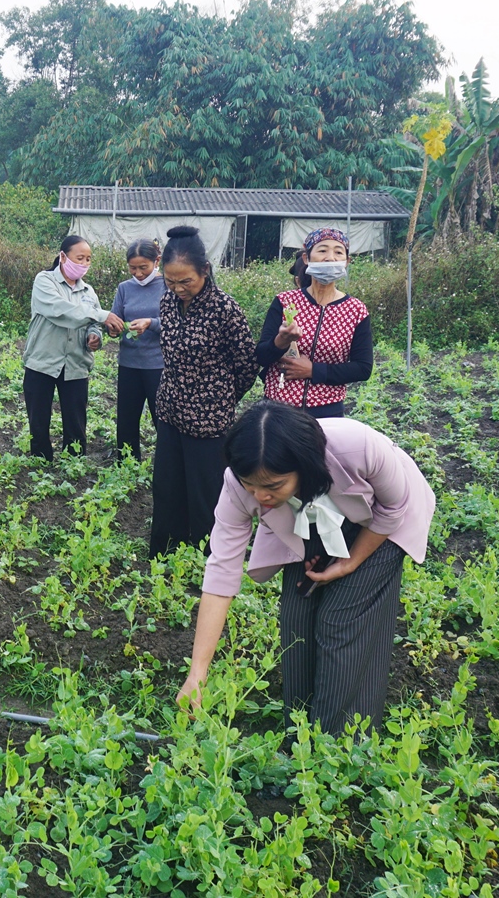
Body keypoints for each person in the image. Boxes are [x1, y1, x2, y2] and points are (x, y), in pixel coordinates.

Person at [179, 402, 436, 733]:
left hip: (382, 519)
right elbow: (221, 573)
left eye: (273, 486)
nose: (260, 496)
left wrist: (350, 562)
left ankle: (336, 745)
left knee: (341, 622)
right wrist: (197, 673)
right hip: (311, 516)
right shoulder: (239, 486)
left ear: (303, 466)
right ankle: (298, 734)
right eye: (250, 485)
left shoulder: (358, 448)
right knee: (296, 618)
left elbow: (394, 507)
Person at [150, 226, 259, 557]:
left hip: (208, 421)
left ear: (205, 271)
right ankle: (168, 551)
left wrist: (219, 398)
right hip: (169, 411)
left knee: (205, 493)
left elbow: (247, 366)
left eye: (186, 281)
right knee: (168, 487)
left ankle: (206, 558)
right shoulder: (167, 302)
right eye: (171, 281)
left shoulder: (225, 309)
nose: (178, 288)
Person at [22, 235, 125, 460]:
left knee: (76, 420)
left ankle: (74, 462)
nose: (84, 264)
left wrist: (94, 336)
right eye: (79, 258)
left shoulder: (88, 292)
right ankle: (41, 461)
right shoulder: (44, 281)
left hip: (76, 363)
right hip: (42, 361)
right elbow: (61, 311)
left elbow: (94, 325)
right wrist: (102, 315)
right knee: (38, 419)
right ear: (63, 256)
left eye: (88, 259)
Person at [255, 228, 374, 418]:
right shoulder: (285, 302)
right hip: (279, 409)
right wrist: (281, 341)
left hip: (327, 411)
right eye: (322, 250)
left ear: (347, 261)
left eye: (338, 252)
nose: (330, 258)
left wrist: (314, 370)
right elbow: (261, 356)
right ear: (306, 258)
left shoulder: (356, 310)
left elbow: (363, 368)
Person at [108, 239, 164, 459]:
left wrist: (151, 322)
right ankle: (127, 461)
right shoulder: (124, 288)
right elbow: (116, 318)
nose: (138, 273)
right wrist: (113, 329)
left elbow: (175, 322)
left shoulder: (167, 286)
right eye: (133, 268)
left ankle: (167, 462)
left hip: (158, 364)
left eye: (144, 267)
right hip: (129, 362)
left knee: (162, 417)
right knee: (127, 417)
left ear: (156, 261)